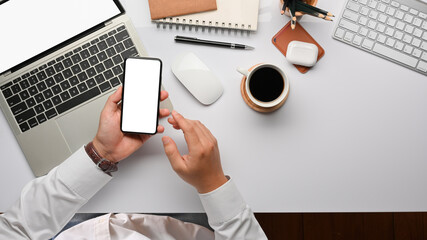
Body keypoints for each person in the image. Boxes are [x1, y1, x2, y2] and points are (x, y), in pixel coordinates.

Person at [0, 87, 267, 240]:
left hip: (68, 225)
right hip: (191, 227)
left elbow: (16, 230)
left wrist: (100, 153)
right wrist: (212, 185)